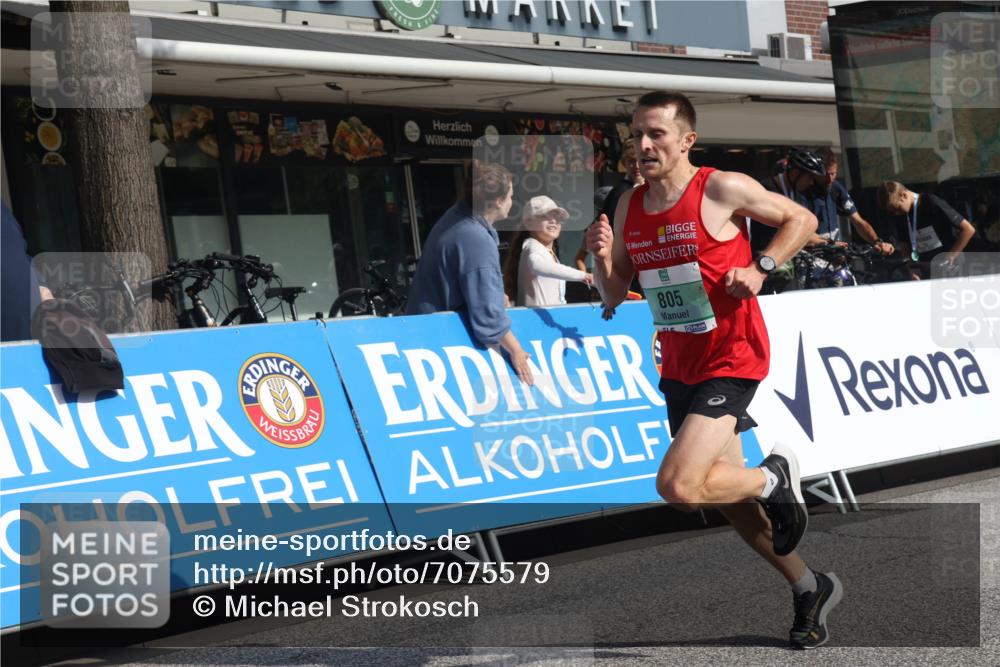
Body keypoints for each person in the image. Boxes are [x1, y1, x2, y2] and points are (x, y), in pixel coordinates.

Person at [586, 91, 842, 650]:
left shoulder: (720, 187)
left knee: (678, 485)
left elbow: (798, 217)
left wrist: (762, 267)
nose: (644, 145)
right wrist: (601, 261)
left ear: (686, 141)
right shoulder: (629, 204)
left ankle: (775, 475)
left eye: (655, 134)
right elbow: (614, 294)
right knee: (724, 497)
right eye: (636, 135)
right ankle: (808, 586)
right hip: (680, 360)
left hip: (733, 356)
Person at [406, 162, 534, 385]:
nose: (512, 202)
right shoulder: (475, 238)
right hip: (439, 345)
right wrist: (517, 350)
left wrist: (493, 296)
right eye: (511, 196)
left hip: (423, 332)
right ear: (497, 201)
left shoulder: (456, 216)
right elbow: (488, 319)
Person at [875, 180, 977, 279]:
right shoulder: (901, 215)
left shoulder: (931, 202)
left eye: (897, 208)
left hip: (952, 268)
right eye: (892, 212)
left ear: (904, 195)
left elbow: (968, 230)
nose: (896, 213)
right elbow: (905, 245)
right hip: (926, 270)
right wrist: (912, 269)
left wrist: (950, 257)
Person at [503, 195, 592, 307]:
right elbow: (537, 265)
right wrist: (584, 276)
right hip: (535, 323)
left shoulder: (545, 250)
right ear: (529, 223)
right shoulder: (532, 245)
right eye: (545, 216)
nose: (553, 221)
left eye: (557, 217)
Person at [815, 148, 894, 255]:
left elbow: (858, 222)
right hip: (813, 255)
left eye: (833, 174)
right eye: (826, 174)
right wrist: (829, 243)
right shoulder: (804, 191)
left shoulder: (836, 188)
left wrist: (877, 242)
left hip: (833, 255)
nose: (829, 179)